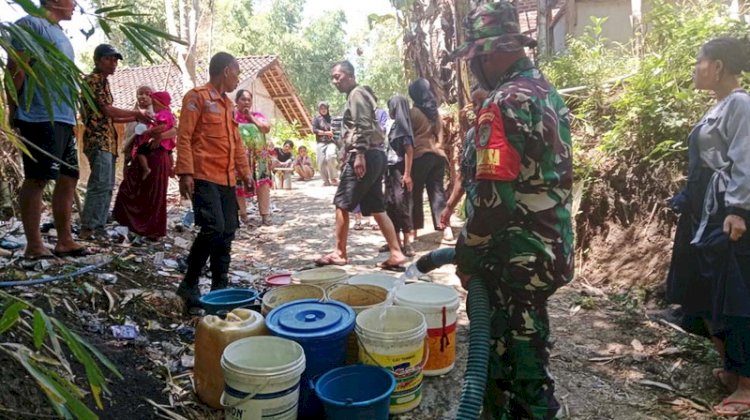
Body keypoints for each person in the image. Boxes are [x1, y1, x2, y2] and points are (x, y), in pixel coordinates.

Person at [450, 2, 573, 418]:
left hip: (515, 256)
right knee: (527, 345)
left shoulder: (503, 102)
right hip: (547, 248)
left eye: (474, 60)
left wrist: (467, 249)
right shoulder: (544, 91)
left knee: (515, 371)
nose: (473, 70)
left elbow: (493, 201)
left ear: (487, 53)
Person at [665, 37, 750, 417]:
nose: (695, 68)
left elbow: (745, 159)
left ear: (717, 66)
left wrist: (738, 209)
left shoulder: (741, 104)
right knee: (704, 290)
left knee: (733, 295)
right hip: (705, 212)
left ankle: (747, 386)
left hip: (728, 216)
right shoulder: (719, 107)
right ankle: (733, 372)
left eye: (699, 61)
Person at [6, 0, 89, 259]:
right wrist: (15, 109)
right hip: (39, 116)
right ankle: (34, 245)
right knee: (38, 177)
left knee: (69, 176)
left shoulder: (59, 33)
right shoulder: (31, 25)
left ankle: (64, 240)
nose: (75, 4)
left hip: (63, 117)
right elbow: (15, 70)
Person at [175, 52, 252, 313]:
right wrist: (185, 173)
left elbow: (237, 144)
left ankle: (220, 288)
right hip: (204, 175)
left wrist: (246, 172)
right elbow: (184, 136)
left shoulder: (229, 106)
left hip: (227, 178)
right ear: (227, 70)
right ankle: (189, 283)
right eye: (237, 73)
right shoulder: (196, 97)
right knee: (213, 228)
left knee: (228, 230)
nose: (238, 79)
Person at [315, 60, 407, 270]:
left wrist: (359, 154)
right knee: (375, 206)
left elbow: (363, 124)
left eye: (337, 77)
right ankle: (396, 253)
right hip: (377, 154)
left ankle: (339, 252)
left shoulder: (356, 94)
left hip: (366, 154)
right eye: (333, 78)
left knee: (342, 202)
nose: (334, 81)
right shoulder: (360, 95)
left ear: (349, 75)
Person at [80, 44, 152, 241]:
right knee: (100, 184)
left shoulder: (104, 82)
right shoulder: (93, 80)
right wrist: (136, 113)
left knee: (108, 184)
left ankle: (99, 226)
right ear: (97, 60)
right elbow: (108, 112)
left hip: (109, 140)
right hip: (98, 139)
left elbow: (112, 117)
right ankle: (88, 228)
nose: (113, 63)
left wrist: (137, 118)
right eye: (109, 59)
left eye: (115, 60)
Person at [113, 88, 178, 240]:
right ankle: (131, 223)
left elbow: (174, 131)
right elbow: (130, 139)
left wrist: (158, 136)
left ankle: (151, 228)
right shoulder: (134, 114)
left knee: (153, 191)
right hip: (138, 156)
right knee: (132, 187)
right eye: (139, 94)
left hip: (156, 155)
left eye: (147, 94)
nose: (143, 97)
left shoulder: (164, 114)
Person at [408, 78, 452, 243]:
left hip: (420, 156)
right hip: (438, 156)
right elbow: (441, 138)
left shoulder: (413, 113)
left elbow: (408, 139)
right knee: (437, 192)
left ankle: (413, 232)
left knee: (415, 193)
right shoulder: (435, 113)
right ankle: (445, 228)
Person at [439, 87, 488, 229]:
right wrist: (449, 207)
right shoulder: (472, 135)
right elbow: (464, 174)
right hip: (475, 209)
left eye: (482, 102)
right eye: (474, 104)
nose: (478, 108)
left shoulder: (512, 132)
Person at [234, 89, 272, 226]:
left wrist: (251, 117)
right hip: (239, 158)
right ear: (236, 101)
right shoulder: (232, 117)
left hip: (259, 158)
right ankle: (243, 215)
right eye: (243, 99)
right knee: (238, 184)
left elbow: (266, 128)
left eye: (249, 100)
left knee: (263, 184)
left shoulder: (257, 115)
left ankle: (265, 215)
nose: (246, 102)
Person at [384, 95, 415, 256]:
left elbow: (409, 150)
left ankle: (407, 242)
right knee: (389, 204)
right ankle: (394, 240)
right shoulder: (392, 125)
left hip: (400, 169)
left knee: (401, 204)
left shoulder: (403, 127)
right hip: (389, 169)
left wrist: (407, 174)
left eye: (391, 107)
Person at [131, 91, 176, 180]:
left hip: (159, 147)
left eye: (154, 105)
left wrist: (149, 131)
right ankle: (171, 168)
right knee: (170, 152)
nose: (143, 97)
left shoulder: (162, 114)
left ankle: (146, 168)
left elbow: (163, 127)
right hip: (165, 145)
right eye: (140, 93)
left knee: (140, 151)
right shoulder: (168, 114)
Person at [312, 102, 338, 186]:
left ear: (327, 109)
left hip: (331, 142)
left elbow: (336, 129)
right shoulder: (316, 119)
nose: (323, 110)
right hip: (320, 142)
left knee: (330, 156)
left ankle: (333, 178)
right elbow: (315, 130)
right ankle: (325, 180)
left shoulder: (332, 118)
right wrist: (326, 133)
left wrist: (333, 132)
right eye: (321, 109)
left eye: (324, 108)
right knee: (321, 161)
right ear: (319, 110)